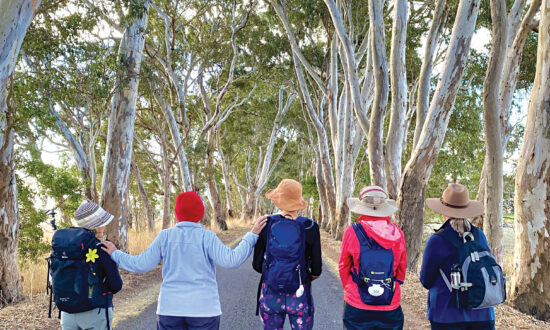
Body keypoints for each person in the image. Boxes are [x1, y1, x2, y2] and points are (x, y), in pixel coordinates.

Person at [101, 191, 267, 330]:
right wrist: (251, 235)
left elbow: (141, 264)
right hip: (205, 311)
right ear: (200, 213)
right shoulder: (207, 237)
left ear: (176, 213)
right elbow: (232, 260)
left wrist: (116, 254)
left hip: (170, 309)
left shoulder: (165, 236)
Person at [420, 183, 496, 330]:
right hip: (482, 313)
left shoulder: (437, 240)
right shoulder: (479, 235)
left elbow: (426, 281)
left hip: (446, 315)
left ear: (444, 212)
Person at [252, 178, 322, 330]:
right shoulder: (310, 227)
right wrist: (301, 276)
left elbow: (257, 265)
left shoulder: (265, 224)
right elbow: (317, 269)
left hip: (271, 294)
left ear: (278, 200)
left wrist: (275, 274)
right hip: (299, 294)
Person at [339, 186, 406, 330]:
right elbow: (401, 268)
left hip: (357, 302)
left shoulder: (352, 231)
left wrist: (350, 287)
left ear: (362, 206)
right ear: (384, 207)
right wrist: (395, 285)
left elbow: (343, 265)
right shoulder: (397, 233)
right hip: (390, 302)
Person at [52, 202, 123, 330]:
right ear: (98, 226)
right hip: (95, 312)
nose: (105, 226)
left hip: (67, 313)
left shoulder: (63, 247)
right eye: (103, 223)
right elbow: (116, 285)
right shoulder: (102, 249)